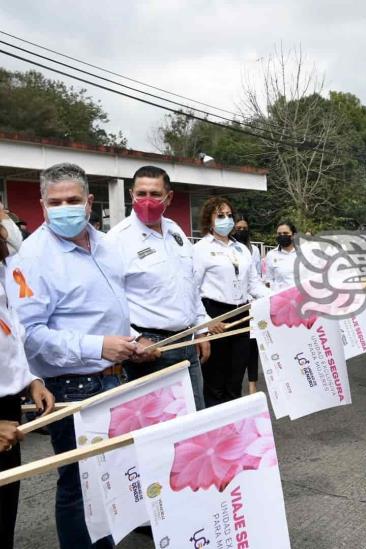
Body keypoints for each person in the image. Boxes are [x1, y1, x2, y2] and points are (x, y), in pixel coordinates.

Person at [7, 162, 136, 549]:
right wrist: (96, 346)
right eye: (55, 201)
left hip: (115, 375)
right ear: (42, 205)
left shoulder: (106, 244)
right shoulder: (32, 258)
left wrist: (132, 341)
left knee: (112, 478)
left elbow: (111, 306)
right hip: (73, 386)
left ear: (90, 202)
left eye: (73, 200)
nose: (64, 208)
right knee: (81, 487)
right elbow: (29, 335)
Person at [106, 165, 210, 410]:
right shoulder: (116, 240)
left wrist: (202, 329)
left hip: (186, 344)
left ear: (169, 197)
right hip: (149, 351)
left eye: (155, 194)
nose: (147, 200)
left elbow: (190, 284)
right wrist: (136, 339)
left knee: (195, 423)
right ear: (131, 194)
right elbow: (109, 302)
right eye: (141, 194)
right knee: (158, 432)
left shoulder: (176, 231)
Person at [0, 212, 55, 549]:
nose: (6, 221)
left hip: (6, 405)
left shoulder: (3, 268)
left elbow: (10, 334)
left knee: (4, 513)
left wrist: (30, 380)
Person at [194, 200, 267, 406]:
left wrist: (279, 297)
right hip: (215, 314)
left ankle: (235, 432)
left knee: (236, 380)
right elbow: (192, 290)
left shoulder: (242, 250)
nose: (226, 220)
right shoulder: (200, 249)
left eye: (229, 215)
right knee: (215, 382)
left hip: (242, 315)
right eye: (220, 216)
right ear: (209, 220)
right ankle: (216, 433)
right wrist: (206, 321)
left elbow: (255, 285)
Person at [232, 215, 263, 395]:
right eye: (238, 228)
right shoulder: (229, 249)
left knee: (252, 344)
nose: (241, 231)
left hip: (252, 303)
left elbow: (256, 278)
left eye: (244, 228)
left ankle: (252, 383)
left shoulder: (255, 251)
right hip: (234, 304)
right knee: (236, 345)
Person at [265, 221, 298, 291]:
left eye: (285, 233)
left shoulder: (303, 253)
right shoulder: (271, 254)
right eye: (279, 234)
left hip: (302, 297)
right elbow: (269, 279)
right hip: (281, 298)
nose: (282, 235)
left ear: (293, 235)